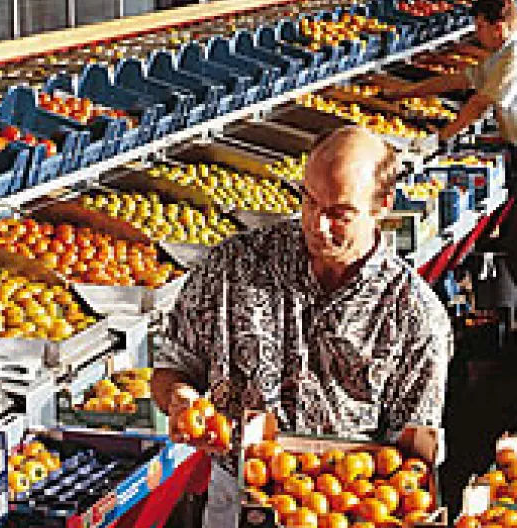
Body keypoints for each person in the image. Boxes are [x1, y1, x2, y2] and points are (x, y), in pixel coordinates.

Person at [152, 126, 453, 527]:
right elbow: (174, 365)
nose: (317, 223)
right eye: (308, 200)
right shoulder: (234, 265)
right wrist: (180, 398)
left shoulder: (415, 317)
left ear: (383, 204)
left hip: (344, 508)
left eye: (339, 213)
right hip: (238, 492)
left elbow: (411, 461)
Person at [386, 0, 517, 384]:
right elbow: (461, 79)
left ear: (498, 26)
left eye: (480, 27)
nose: (477, 34)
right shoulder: (502, 56)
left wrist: (441, 138)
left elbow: (480, 103)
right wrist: (405, 91)